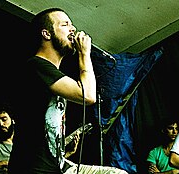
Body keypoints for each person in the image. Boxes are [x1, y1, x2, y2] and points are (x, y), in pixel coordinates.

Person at [8, 7, 128, 174]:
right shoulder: (36, 65)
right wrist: (84, 54)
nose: (73, 29)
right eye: (65, 25)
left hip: (59, 165)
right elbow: (88, 96)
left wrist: (62, 148)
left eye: (72, 25)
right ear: (47, 34)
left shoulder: (53, 74)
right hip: (34, 168)